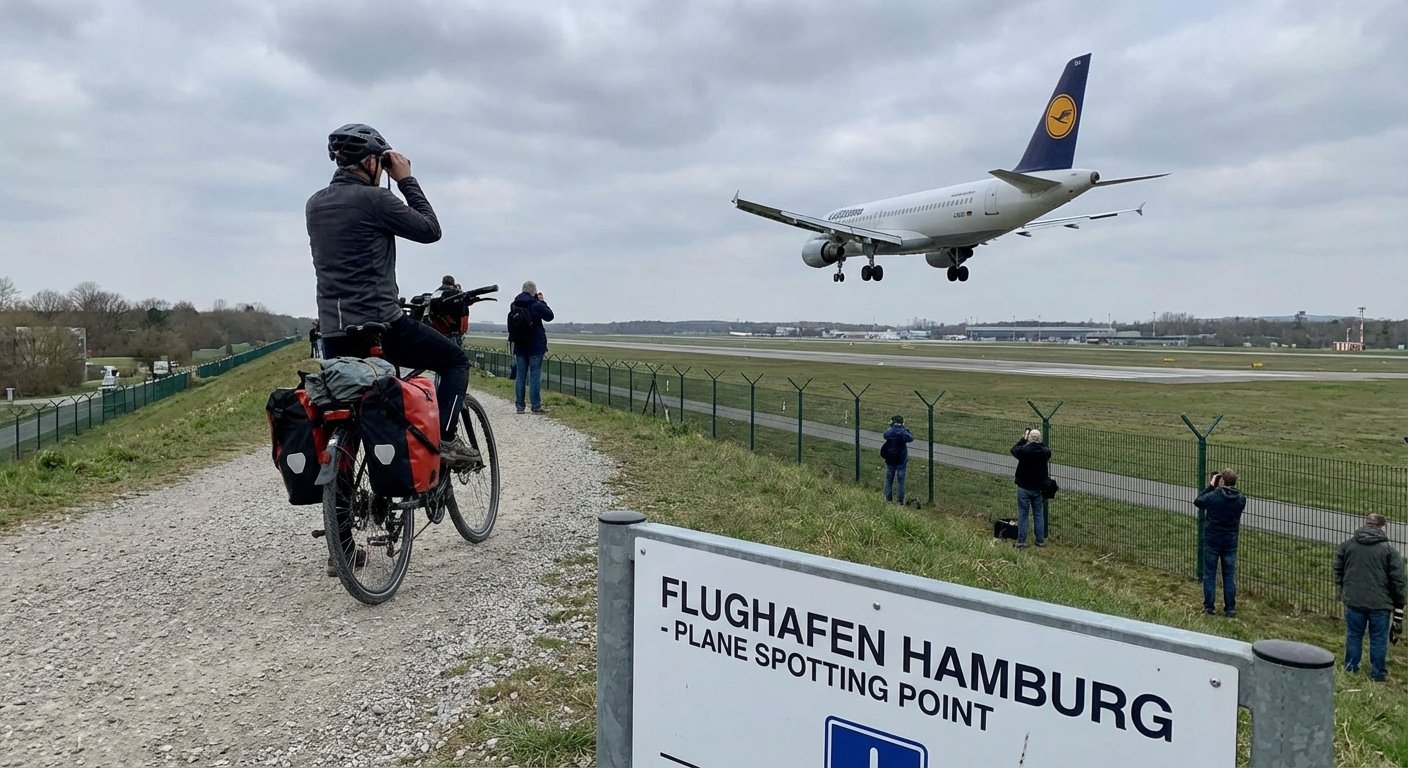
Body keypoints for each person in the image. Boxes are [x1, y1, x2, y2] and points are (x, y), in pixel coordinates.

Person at [306, 122, 478, 472]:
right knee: (455, 361)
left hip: (334, 331)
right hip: (381, 324)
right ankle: (444, 440)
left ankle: (343, 511)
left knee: (354, 408)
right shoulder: (375, 199)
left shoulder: (315, 204)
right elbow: (430, 230)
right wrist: (405, 180)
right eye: (380, 163)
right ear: (371, 163)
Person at [1334, 513, 1406, 681]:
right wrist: (1399, 603)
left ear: (1366, 525)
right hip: (1380, 604)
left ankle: (1351, 668)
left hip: (1354, 600)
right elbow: (1398, 580)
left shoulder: (1348, 546)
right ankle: (1378, 673)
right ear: (1382, 527)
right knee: (1379, 638)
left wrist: (1345, 588)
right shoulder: (1389, 551)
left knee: (1354, 635)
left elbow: (1338, 568)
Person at [1194, 469, 1247, 617]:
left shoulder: (1213, 496)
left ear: (1222, 480)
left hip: (1212, 539)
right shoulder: (1241, 499)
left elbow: (1198, 501)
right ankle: (1230, 609)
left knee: (1209, 574)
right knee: (1229, 575)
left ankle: (1209, 608)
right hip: (1230, 541)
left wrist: (1211, 486)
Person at [509, 281, 554, 414]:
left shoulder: (514, 304)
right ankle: (535, 406)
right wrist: (542, 302)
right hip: (535, 345)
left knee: (521, 376)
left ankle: (520, 406)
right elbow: (550, 316)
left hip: (520, 345)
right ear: (534, 291)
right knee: (535, 376)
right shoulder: (535, 305)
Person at [1010, 428, 1051, 548]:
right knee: (1038, 513)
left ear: (1029, 439)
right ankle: (1040, 540)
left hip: (1024, 486)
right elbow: (1046, 449)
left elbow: (1013, 449)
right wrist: (1038, 441)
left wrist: (1024, 439)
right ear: (1039, 440)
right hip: (1038, 488)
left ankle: (1021, 540)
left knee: (1023, 513)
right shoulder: (1045, 452)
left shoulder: (1024, 451)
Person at [880, 415, 914, 504]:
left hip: (890, 457)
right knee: (901, 480)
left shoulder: (889, 431)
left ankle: (888, 499)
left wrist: (891, 427)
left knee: (889, 479)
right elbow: (910, 438)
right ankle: (900, 501)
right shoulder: (903, 432)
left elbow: (885, 435)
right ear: (902, 422)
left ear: (892, 422)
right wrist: (905, 428)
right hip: (901, 458)